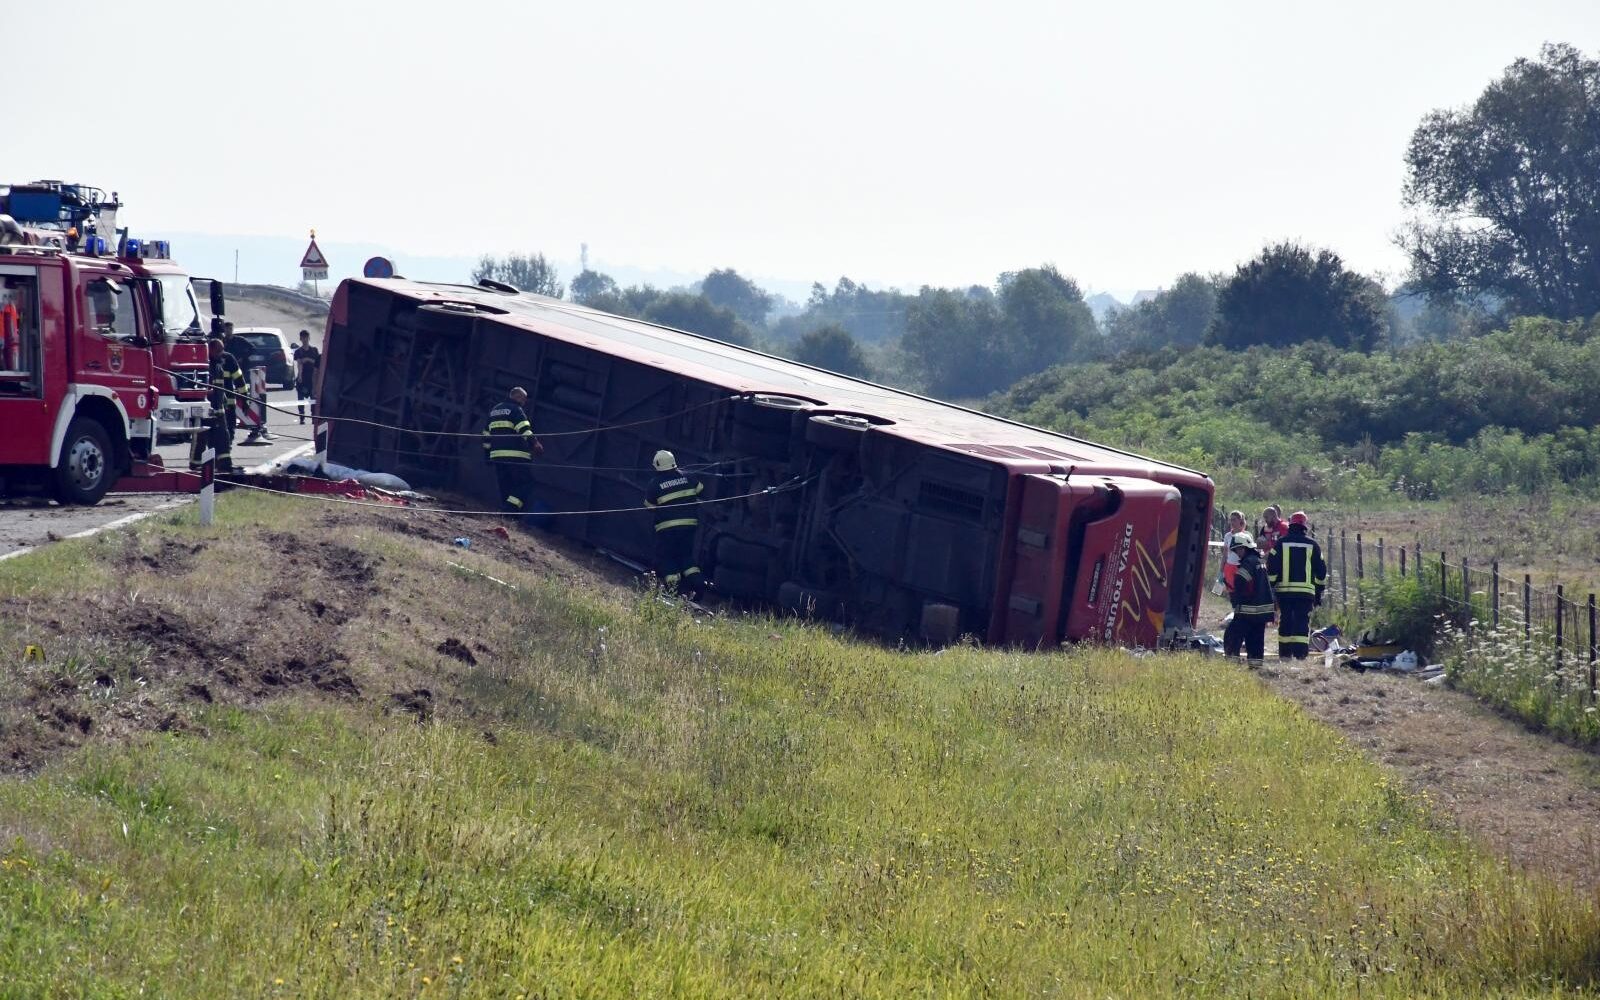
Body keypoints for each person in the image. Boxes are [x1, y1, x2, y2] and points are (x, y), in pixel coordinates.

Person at [1265, 510, 1327, 660]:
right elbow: (1321, 571)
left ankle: (1285, 654)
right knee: (1302, 622)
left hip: (1284, 592)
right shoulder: (1313, 545)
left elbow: (1271, 566)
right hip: (1306, 594)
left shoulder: (1280, 543)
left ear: (1291, 525)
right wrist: (1319, 591)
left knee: (1286, 620)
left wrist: (1271, 586)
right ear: (1304, 526)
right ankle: (1300, 655)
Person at [644, 449, 705, 596]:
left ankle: (674, 589)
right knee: (686, 557)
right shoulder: (688, 476)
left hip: (667, 529)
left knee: (666, 558)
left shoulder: (654, 483)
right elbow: (700, 489)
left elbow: (649, 506)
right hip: (689, 526)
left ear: (657, 465)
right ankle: (698, 585)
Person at [480, 386, 542, 514]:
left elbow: (486, 435)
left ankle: (507, 513)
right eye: (524, 399)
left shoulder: (494, 410)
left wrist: (487, 455)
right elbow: (524, 429)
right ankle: (510, 509)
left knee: (506, 484)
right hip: (516, 455)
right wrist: (535, 443)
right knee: (526, 483)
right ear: (517, 397)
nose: (524, 402)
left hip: (497, 456)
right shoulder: (516, 409)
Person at [189, 338, 244, 473]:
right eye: (219, 350)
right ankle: (196, 464)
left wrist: (224, 403)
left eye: (222, 350)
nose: (222, 353)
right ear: (211, 350)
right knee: (200, 437)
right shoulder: (203, 366)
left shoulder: (218, 366)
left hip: (219, 410)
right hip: (204, 410)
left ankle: (224, 464)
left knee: (223, 438)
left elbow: (221, 389)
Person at [1224, 534, 1275, 668]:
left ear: (1244, 547)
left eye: (1238, 550)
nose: (1237, 553)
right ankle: (1255, 666)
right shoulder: (1259, 561)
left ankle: (1231, 665)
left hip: (1248, 610)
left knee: (1232, 635)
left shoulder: (1248, 563)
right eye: (1235, 551)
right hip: (1262, 611)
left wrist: (1236, 597)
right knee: (1255, 640)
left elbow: (1241, 581)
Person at [292, 329, 320, 424]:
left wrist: (308, 359)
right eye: (303, 337)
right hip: (302, 378)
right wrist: (299, 376)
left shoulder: (314, 350)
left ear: (309, 338)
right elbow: (299, 364)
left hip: (312, 379)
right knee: (300, 399)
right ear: (300, 339)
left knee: (313, 398)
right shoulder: (298, 352)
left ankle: (314, 417)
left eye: (306, 337)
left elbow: (317, 363)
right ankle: (302, 417)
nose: (304, 339)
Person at [1219, 509, 1248, 591]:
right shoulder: (1227, 536)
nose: (1232, 522)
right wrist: (1221, 571)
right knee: (1231, 592)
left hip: (1241, 568)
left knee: (1241, 591)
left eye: (1234, 520)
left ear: (1240, 520)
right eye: (1231, 520)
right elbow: (1225, 555)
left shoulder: (1246, 536)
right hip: (1229, 567)